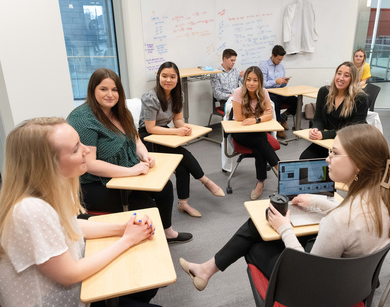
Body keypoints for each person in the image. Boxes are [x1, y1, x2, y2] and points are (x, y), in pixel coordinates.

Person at [179, 124, 390, 292]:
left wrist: (285, 228)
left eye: (334, 153)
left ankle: (207, 270)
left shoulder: (339, 221)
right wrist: (316, 201)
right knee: (264, 225)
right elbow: (347, 214)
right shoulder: (389, 195)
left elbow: (307, 273)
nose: (327, 159)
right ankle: (206, 270)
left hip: (314, 291)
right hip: (355, 283)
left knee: (256, 238)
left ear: (360, 164)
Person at [0, 117, 158, 307]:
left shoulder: (54, 189)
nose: (86, 150)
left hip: (79, 293)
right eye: (76, 149)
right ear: (47, 165)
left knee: (146, 284)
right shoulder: (30, 210)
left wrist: (122, 228)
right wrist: (128, 239)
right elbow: (70, 274)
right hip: (57, 300)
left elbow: (72, 225)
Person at [68, 68, 192, 243]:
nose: (110, 94)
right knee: (147, 207)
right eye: (103, 89)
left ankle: (167, 232)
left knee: (164, 189)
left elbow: (136, 140)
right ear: (92, 90)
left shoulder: (120, 111)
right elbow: (90, 164)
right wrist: (131, 171)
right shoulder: (83, 119)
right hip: (95, 184)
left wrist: (144, 154)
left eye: (115, 89)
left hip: (127, 174)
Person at [138, 61, 225, 218]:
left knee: (181, 163)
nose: (168, 80)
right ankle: (206, 181)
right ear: (158, 77)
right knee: (182, 154)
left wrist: (183, 127)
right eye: (164, 76)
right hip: (147, 137)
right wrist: (176, 132)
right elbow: (150, 128)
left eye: (172, 77)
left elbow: (177, 119)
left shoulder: (179, 95)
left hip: (163, 131)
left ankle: (183, 203)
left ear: (178, 78)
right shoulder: (150, 98)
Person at [300, 61, 368, 159]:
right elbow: (318, 118)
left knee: (333, 166)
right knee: (304, 159)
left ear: (352, 79)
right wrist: (316, 130)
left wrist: (323, 134)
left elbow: (352, 130)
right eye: (339, 73)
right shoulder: (324, 91)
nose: (340, 78)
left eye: (346, 75)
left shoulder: (360, 98)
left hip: (347, 143)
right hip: (327, 141)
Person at [229, 66, 279, 200]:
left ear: (260, 81)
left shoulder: (263, 92)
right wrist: (260, 118)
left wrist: (256, 119)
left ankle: (260, 183)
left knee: (259, 147)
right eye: (248, 80)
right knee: (260, 142)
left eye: (255, 80)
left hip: (257, 129)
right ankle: (279, 169)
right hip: (240, 132)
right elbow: (239, 118)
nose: (251, 83)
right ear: (244, 80)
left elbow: (270, 114)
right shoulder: (238, 92)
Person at [259, 45, 297, 139]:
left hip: (280, 91)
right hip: (268, 93)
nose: (279, 61)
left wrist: (284, 82)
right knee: (275, 103)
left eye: (281, 59)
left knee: (296, 101)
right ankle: (278, 127)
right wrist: (275, 81)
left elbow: (281, 84)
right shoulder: (263, 66)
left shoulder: (281, 67)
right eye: (278, 59)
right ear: (272, 56)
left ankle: (282, 117)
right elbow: (261, 84)